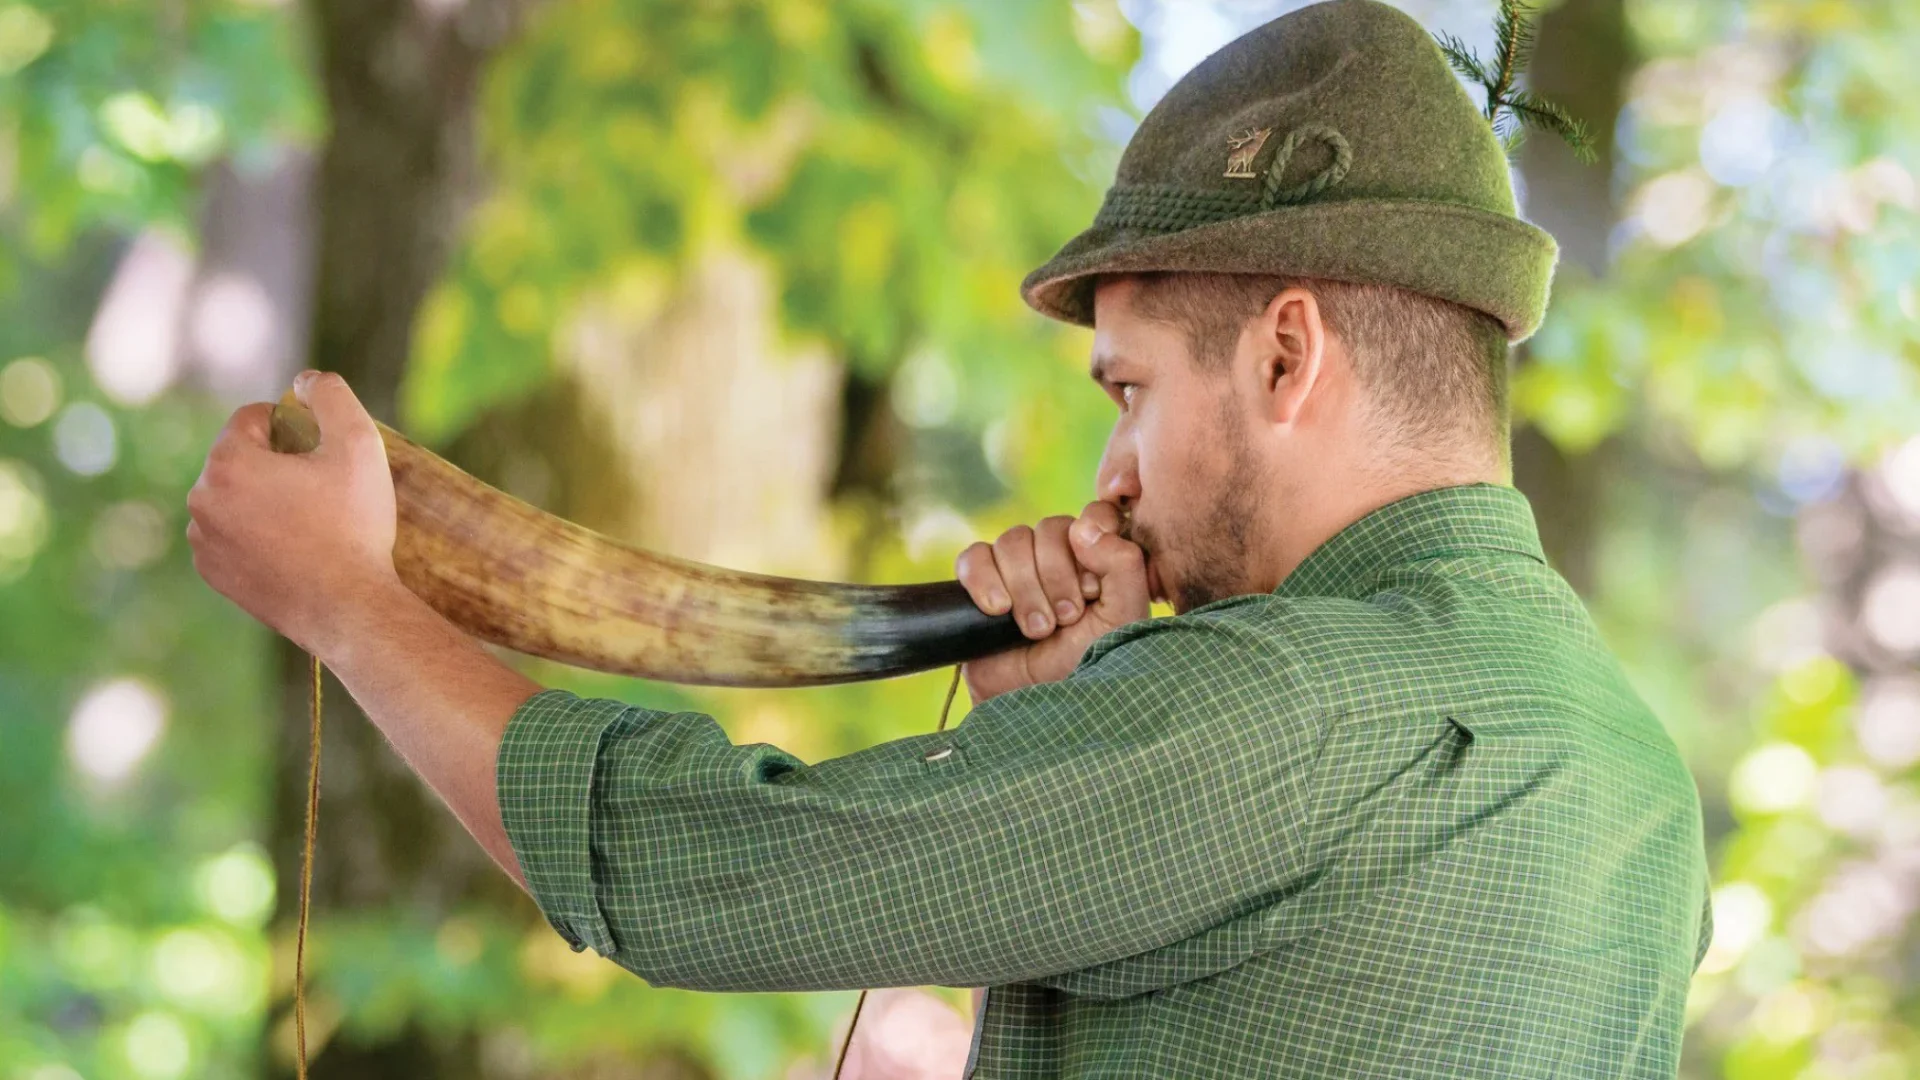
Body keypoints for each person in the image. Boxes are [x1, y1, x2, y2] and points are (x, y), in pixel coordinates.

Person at [186, 1, 1712, 1076]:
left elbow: (678, 874)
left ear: (1286, 355)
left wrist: (347, 602)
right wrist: (1072, 722)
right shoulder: (1633, 778)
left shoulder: (1292, 700)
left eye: (1131, 393)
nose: (1112, 475)